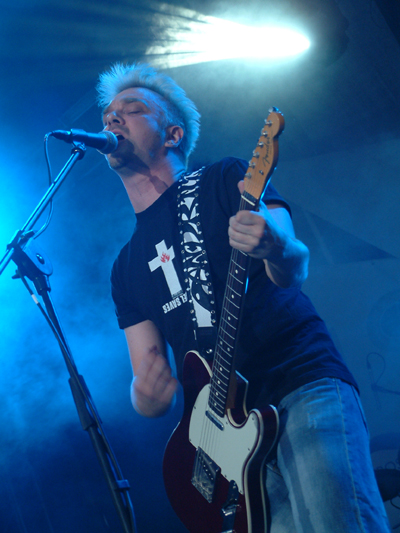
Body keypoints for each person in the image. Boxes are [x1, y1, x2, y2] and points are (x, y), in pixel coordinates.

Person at [96, 62, 390, 532]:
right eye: (108, 113)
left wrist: (275, 245)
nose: (113, 117)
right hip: (225, 443)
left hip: (297, 383)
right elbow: (148, 379)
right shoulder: (125, 267)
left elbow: (295, 265)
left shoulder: (226, 177)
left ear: (172, 134)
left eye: (131, 109)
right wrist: (145, 395)